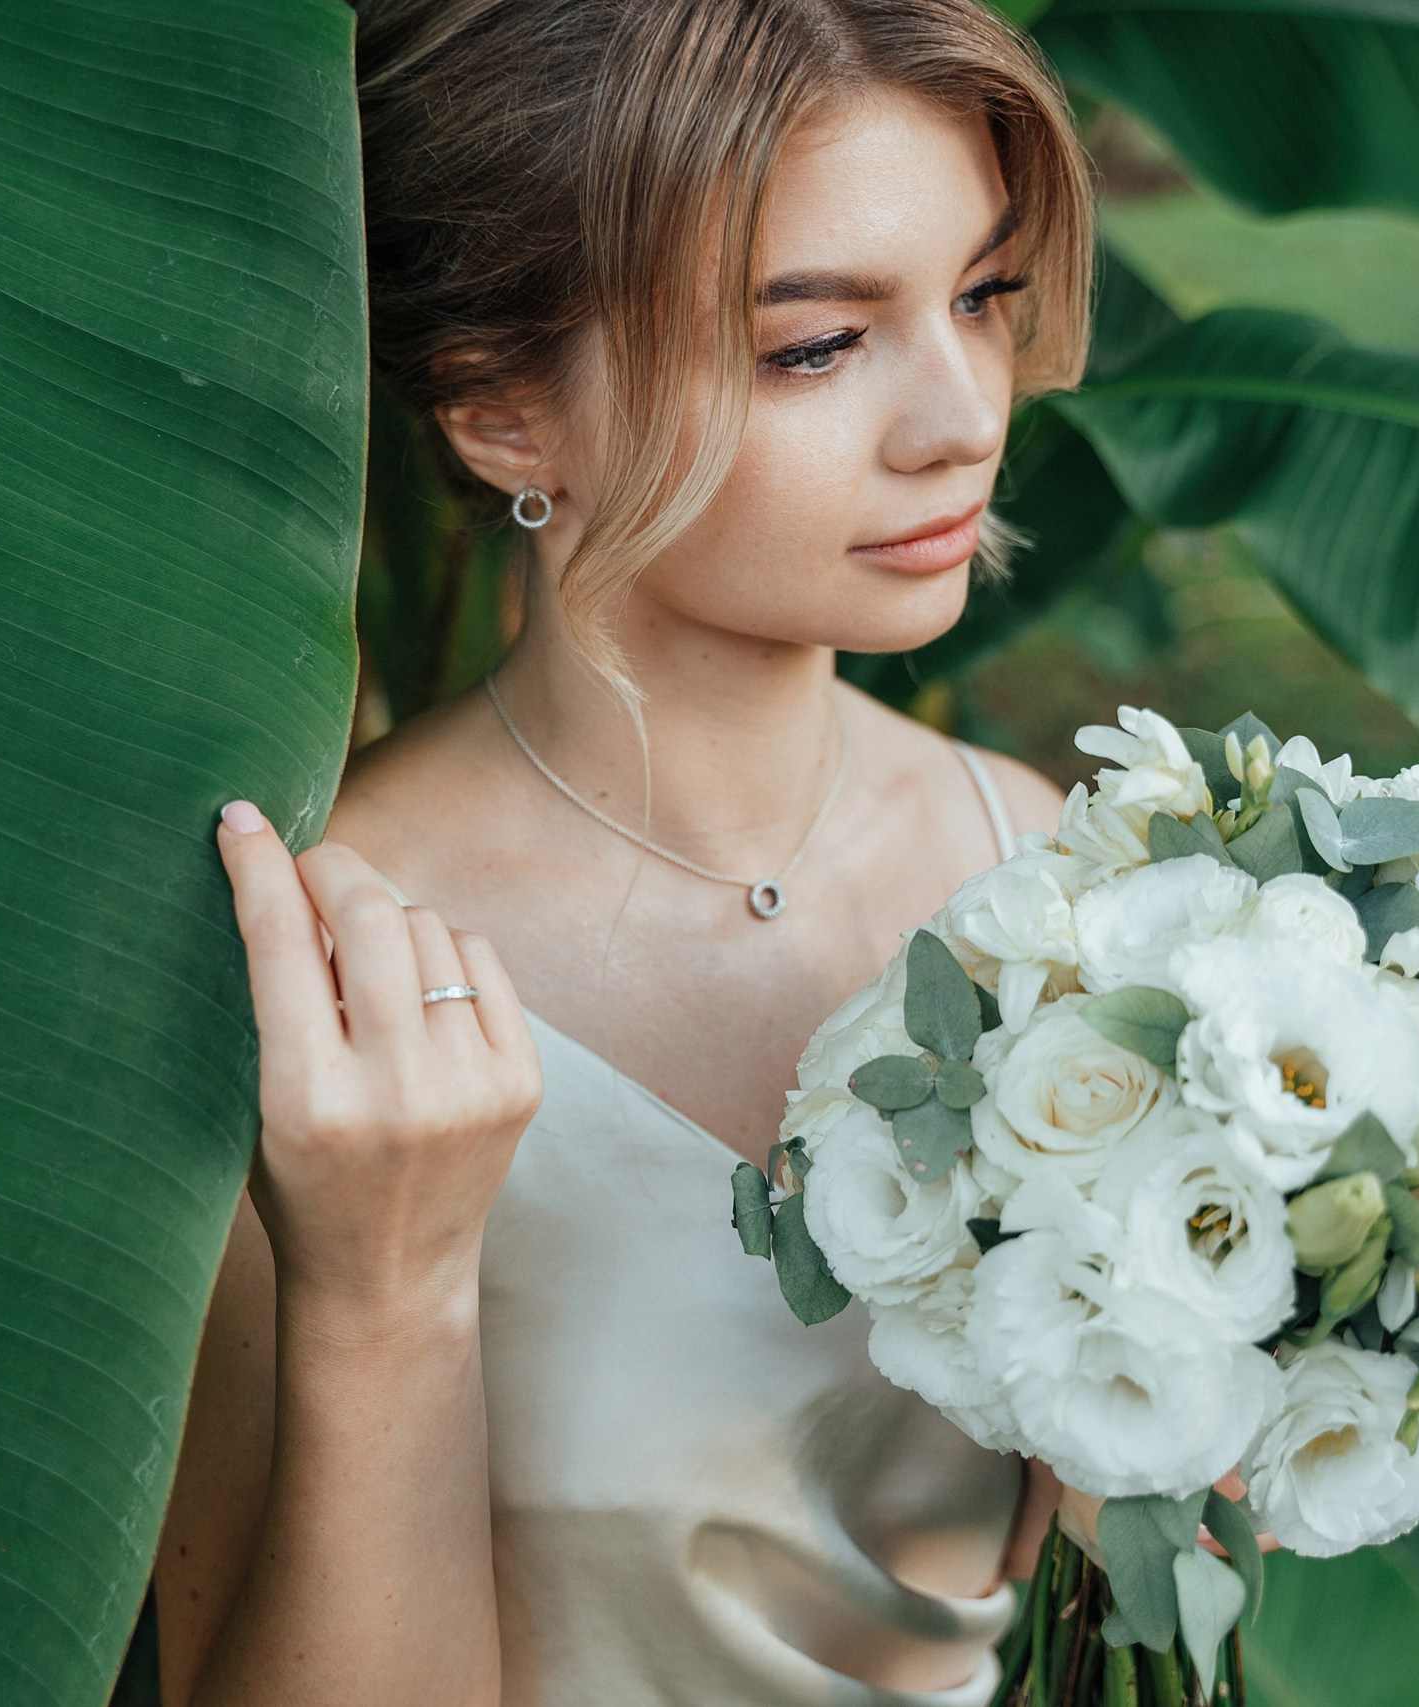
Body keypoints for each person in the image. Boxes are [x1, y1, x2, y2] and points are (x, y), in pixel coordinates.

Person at [159, 1, 1097, 1700]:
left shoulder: (1032, 865)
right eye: (818, 346)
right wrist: (387, 1293)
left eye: (982, 296)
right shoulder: (324, 983)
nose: (965, 416)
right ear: (502, 410)